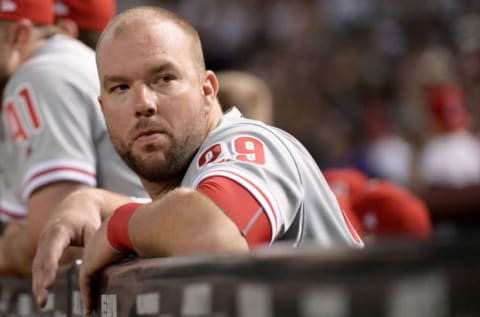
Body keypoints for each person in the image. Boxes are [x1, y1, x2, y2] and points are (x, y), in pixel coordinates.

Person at [31, 6, 363, 312]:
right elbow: (181, 211)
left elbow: (214, 235)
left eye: (164, 79)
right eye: (120, 88)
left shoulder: (251, 143)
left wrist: (118, 224)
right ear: (102, 110)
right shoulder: (190, 184)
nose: (143, 103)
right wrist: (91, 200)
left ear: (207, 91)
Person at [0, 0, 147, 276]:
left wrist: (8, 252)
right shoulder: (63, 62)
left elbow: (62, 245)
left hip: (147, 276)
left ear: (18, 35)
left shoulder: (41, 76)